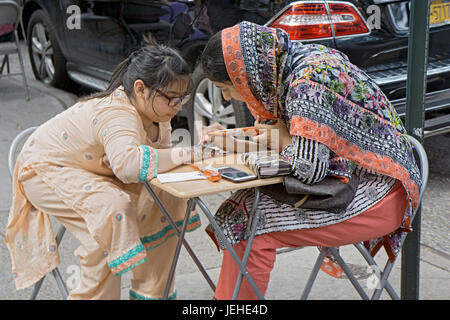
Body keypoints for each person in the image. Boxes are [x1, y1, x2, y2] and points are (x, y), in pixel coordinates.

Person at [200, 21, 422, 299]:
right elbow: (295, 142)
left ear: (246, 74)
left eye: (226, 86)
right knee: (245, 207)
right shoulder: (291, 65)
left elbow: (307, 168)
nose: (226, 96)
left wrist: (266, 142)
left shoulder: (307, 79)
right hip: (361, 183)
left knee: (248, 223)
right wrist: (239, 143)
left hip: (380, 197)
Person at [5, 40, 219, 300]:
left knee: (167, 194)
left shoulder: (158, 115)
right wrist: (189, 152)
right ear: (140, 89)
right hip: (44, 168)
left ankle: (152, 292)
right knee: (110, 215)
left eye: (182, 98)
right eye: (172, 98)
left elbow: (147, 164)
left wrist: (143, 160)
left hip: (90, 170)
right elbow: (130, 166)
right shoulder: (117, 113)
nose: (178, 106)